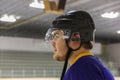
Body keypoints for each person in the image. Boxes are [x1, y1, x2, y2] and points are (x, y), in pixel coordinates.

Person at [45, 10, 115, 80]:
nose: (53, 42)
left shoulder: (83, 69)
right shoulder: (88, 65)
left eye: (57, 36)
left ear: (75, 38)